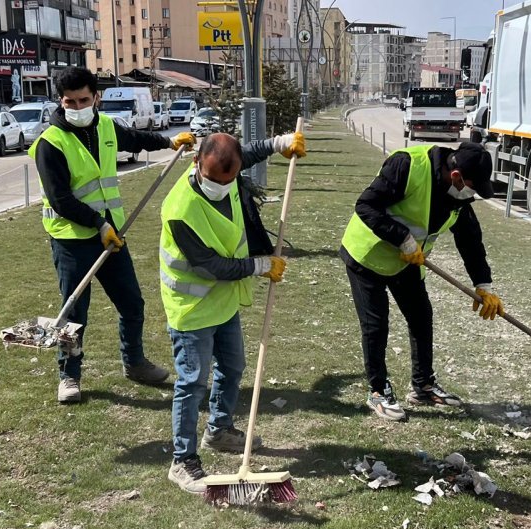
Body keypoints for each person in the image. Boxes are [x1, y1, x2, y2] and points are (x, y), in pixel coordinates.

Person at [30, 66, 197, 403]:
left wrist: (169, 141)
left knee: (132, 303)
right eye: (69, 102)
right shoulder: (50, 144)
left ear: (97, 97)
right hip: (72, 240)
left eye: (83, 100)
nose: (76, 108)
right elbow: (61, 199)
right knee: (74, 312)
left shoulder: (106, 127)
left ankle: (134, 363)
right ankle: (69, 377)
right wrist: (98, 223)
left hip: (113, 237)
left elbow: (136, 139)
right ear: (60, 102)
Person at [158, 131, 306, 493]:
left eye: (229, 180)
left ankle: (220, 431)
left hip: (221, 303)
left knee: (233, 366)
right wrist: (259, 266)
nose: (221, 187)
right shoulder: (180, 209)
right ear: (197, 163)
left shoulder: (227, 171)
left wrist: (279, 143)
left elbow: (247, 152)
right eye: (213, 180)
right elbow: (210, 265)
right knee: (192, 382)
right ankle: (183, 461)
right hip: (191, 308)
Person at [340, 141, 505, 422]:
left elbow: (469, 239)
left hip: (408, 262)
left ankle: (423, 385)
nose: (472, 195)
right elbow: (366, 205)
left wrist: (483, 284)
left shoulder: (458, 196)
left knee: (421, 317)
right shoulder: (407, 165)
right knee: (376, 324)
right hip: (367, 255)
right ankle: (378, 391)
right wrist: (403, 239)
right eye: (471, 187)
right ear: (456, 176)